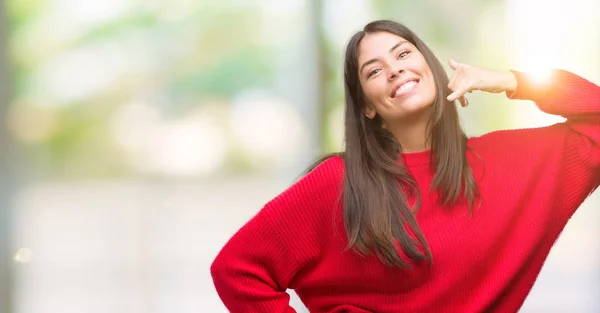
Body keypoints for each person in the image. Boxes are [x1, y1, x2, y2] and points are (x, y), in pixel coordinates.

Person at [210, 19, 600, 313]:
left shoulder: (511, 163)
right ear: (367, 106)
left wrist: (511, 80)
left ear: (430, 66)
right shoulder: (338, 183)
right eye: (374, 71)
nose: (395, 69)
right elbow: (237, 270)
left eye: (403, 53)